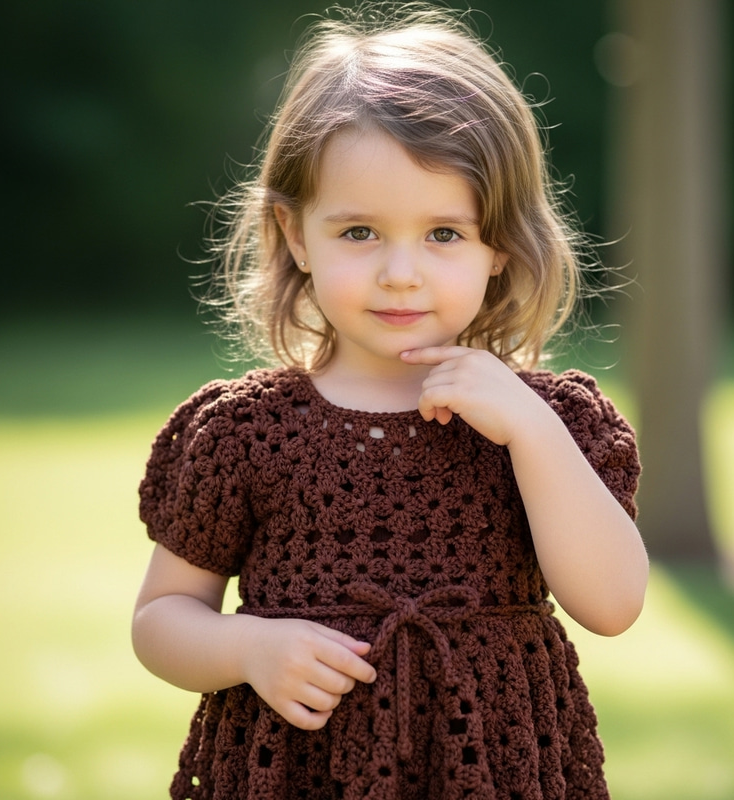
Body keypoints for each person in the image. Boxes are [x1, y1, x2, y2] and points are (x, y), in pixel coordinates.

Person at [132, 3, 649, 798]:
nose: (400, 274)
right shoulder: (247, 431)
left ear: (499, 244)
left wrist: (531, 431)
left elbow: (612, 605)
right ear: (296, 235)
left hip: (493, 772)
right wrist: (248, 649)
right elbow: (161, 619)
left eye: (443, 234)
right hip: (299, 772)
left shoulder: (551, 422)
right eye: (360, 233)